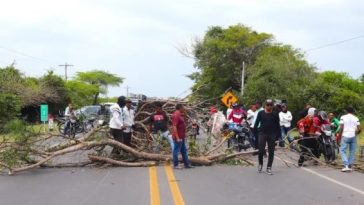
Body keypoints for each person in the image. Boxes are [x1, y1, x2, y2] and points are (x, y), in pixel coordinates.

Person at [254, 99, 280, 175]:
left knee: (271, 151)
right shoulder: (260, 113)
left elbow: (277, 125)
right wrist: (256, 132)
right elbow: (256, 123)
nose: (269, 106)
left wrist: (278, 137)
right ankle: (260, 163)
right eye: (267, 105)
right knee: (261, 150)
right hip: (262, 133)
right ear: (265, 105)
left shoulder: (275, 114)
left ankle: (269, 167)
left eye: (270, 105)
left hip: (272, 134)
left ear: (272, 106)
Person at [338, 107, 361, 172]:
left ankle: (346, 165)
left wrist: (339, 136)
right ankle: (350, 165)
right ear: (353, 111)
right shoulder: (356, 118)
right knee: (352, 151)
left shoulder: (343, 117)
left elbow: (341, 127)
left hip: (345, 135)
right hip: (353, 136)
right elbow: (359, 128)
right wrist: (356, 133)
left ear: (346, 111)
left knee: (342, 150)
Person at [171, 104, 192, 169]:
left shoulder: (180, 114)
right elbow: (174, 126)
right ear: (180, 108)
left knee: (184, 151)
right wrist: (177, 137)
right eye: (183, 107)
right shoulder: (176, 114)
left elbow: (185, 122)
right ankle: (175, 165)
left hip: (182, 137)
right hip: (178, 137)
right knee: (176, 151)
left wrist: (185, 113)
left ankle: (186, 164)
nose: (184, 108)